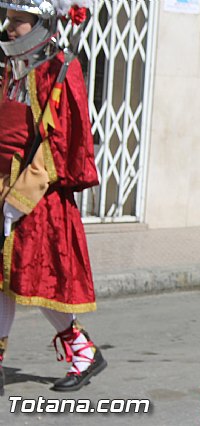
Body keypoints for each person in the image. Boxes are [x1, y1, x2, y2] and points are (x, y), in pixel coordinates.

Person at [0, 0, 106, 395]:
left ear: (42, 22)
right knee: (5, 280)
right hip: (5, 185)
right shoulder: (13, 65)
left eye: (18, 21)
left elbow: (61, 144)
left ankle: (83, 351)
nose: (9, 28)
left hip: (38, 194)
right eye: (8, 19)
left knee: (40, 282)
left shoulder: (61, 68)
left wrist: (18, 200)